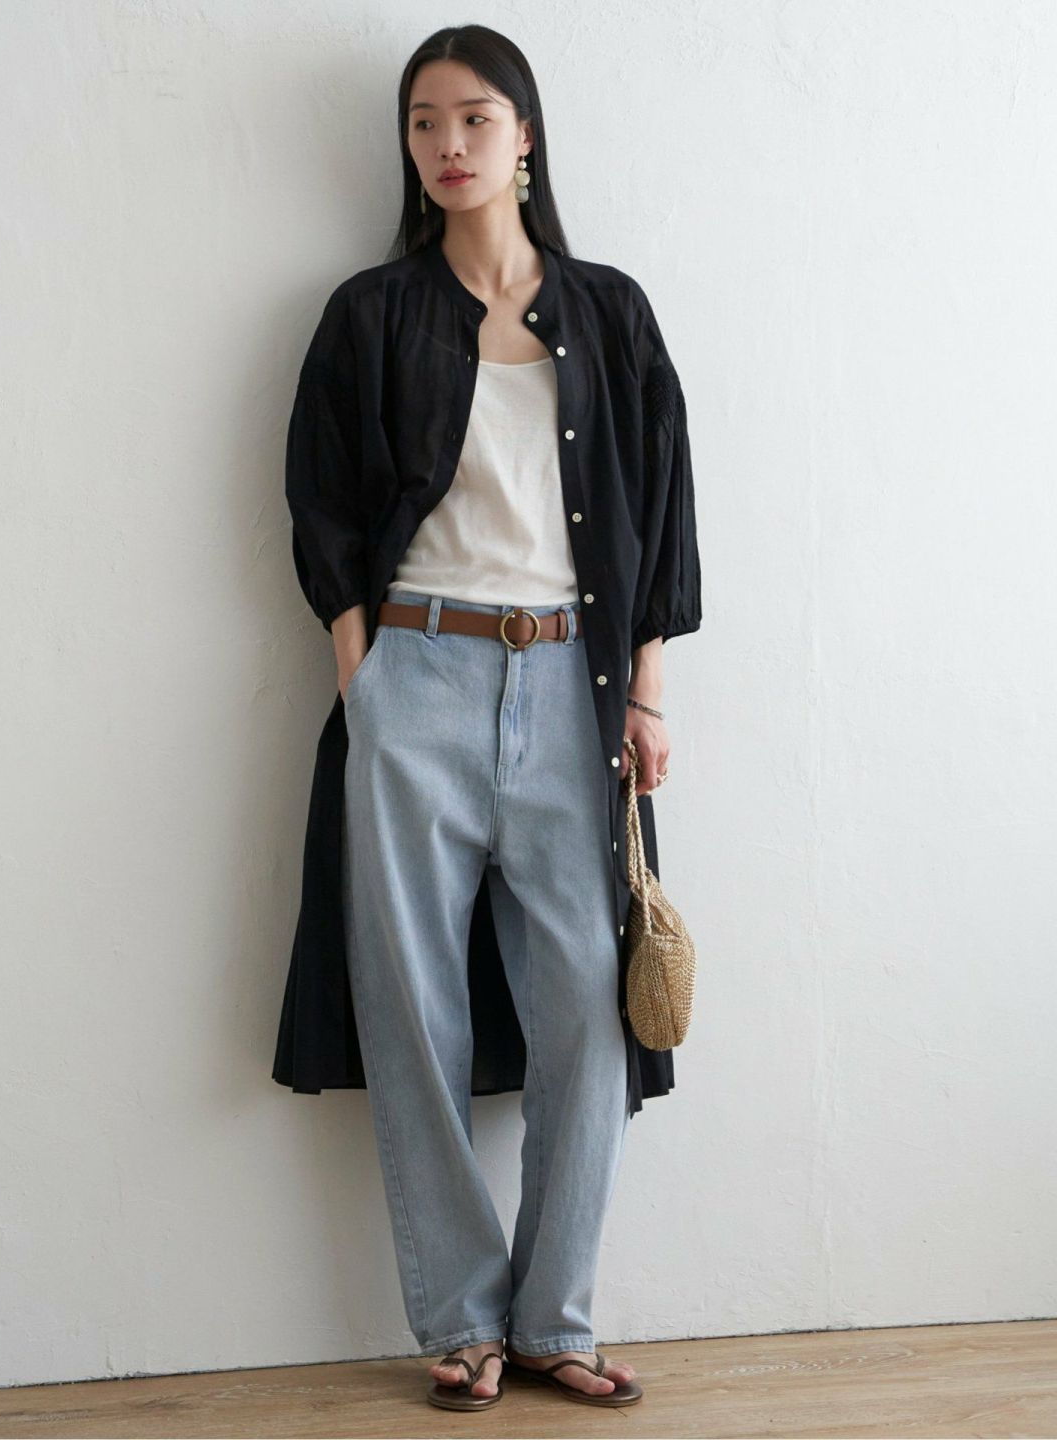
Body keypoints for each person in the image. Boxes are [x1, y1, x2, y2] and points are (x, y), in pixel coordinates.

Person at [276, 23, 702, 1412]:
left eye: (473, 118)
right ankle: (462, 1319)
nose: (447, 145)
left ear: (526, 136)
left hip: (576, 689)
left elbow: (660, 512)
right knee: (411, 1004)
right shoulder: (370, 315)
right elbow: (322, 500)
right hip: (420, 674)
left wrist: (646, 692)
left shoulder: (611, 313)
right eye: (423, 123)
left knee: (587, 1004)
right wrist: (366, 673)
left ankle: (554, 1316)